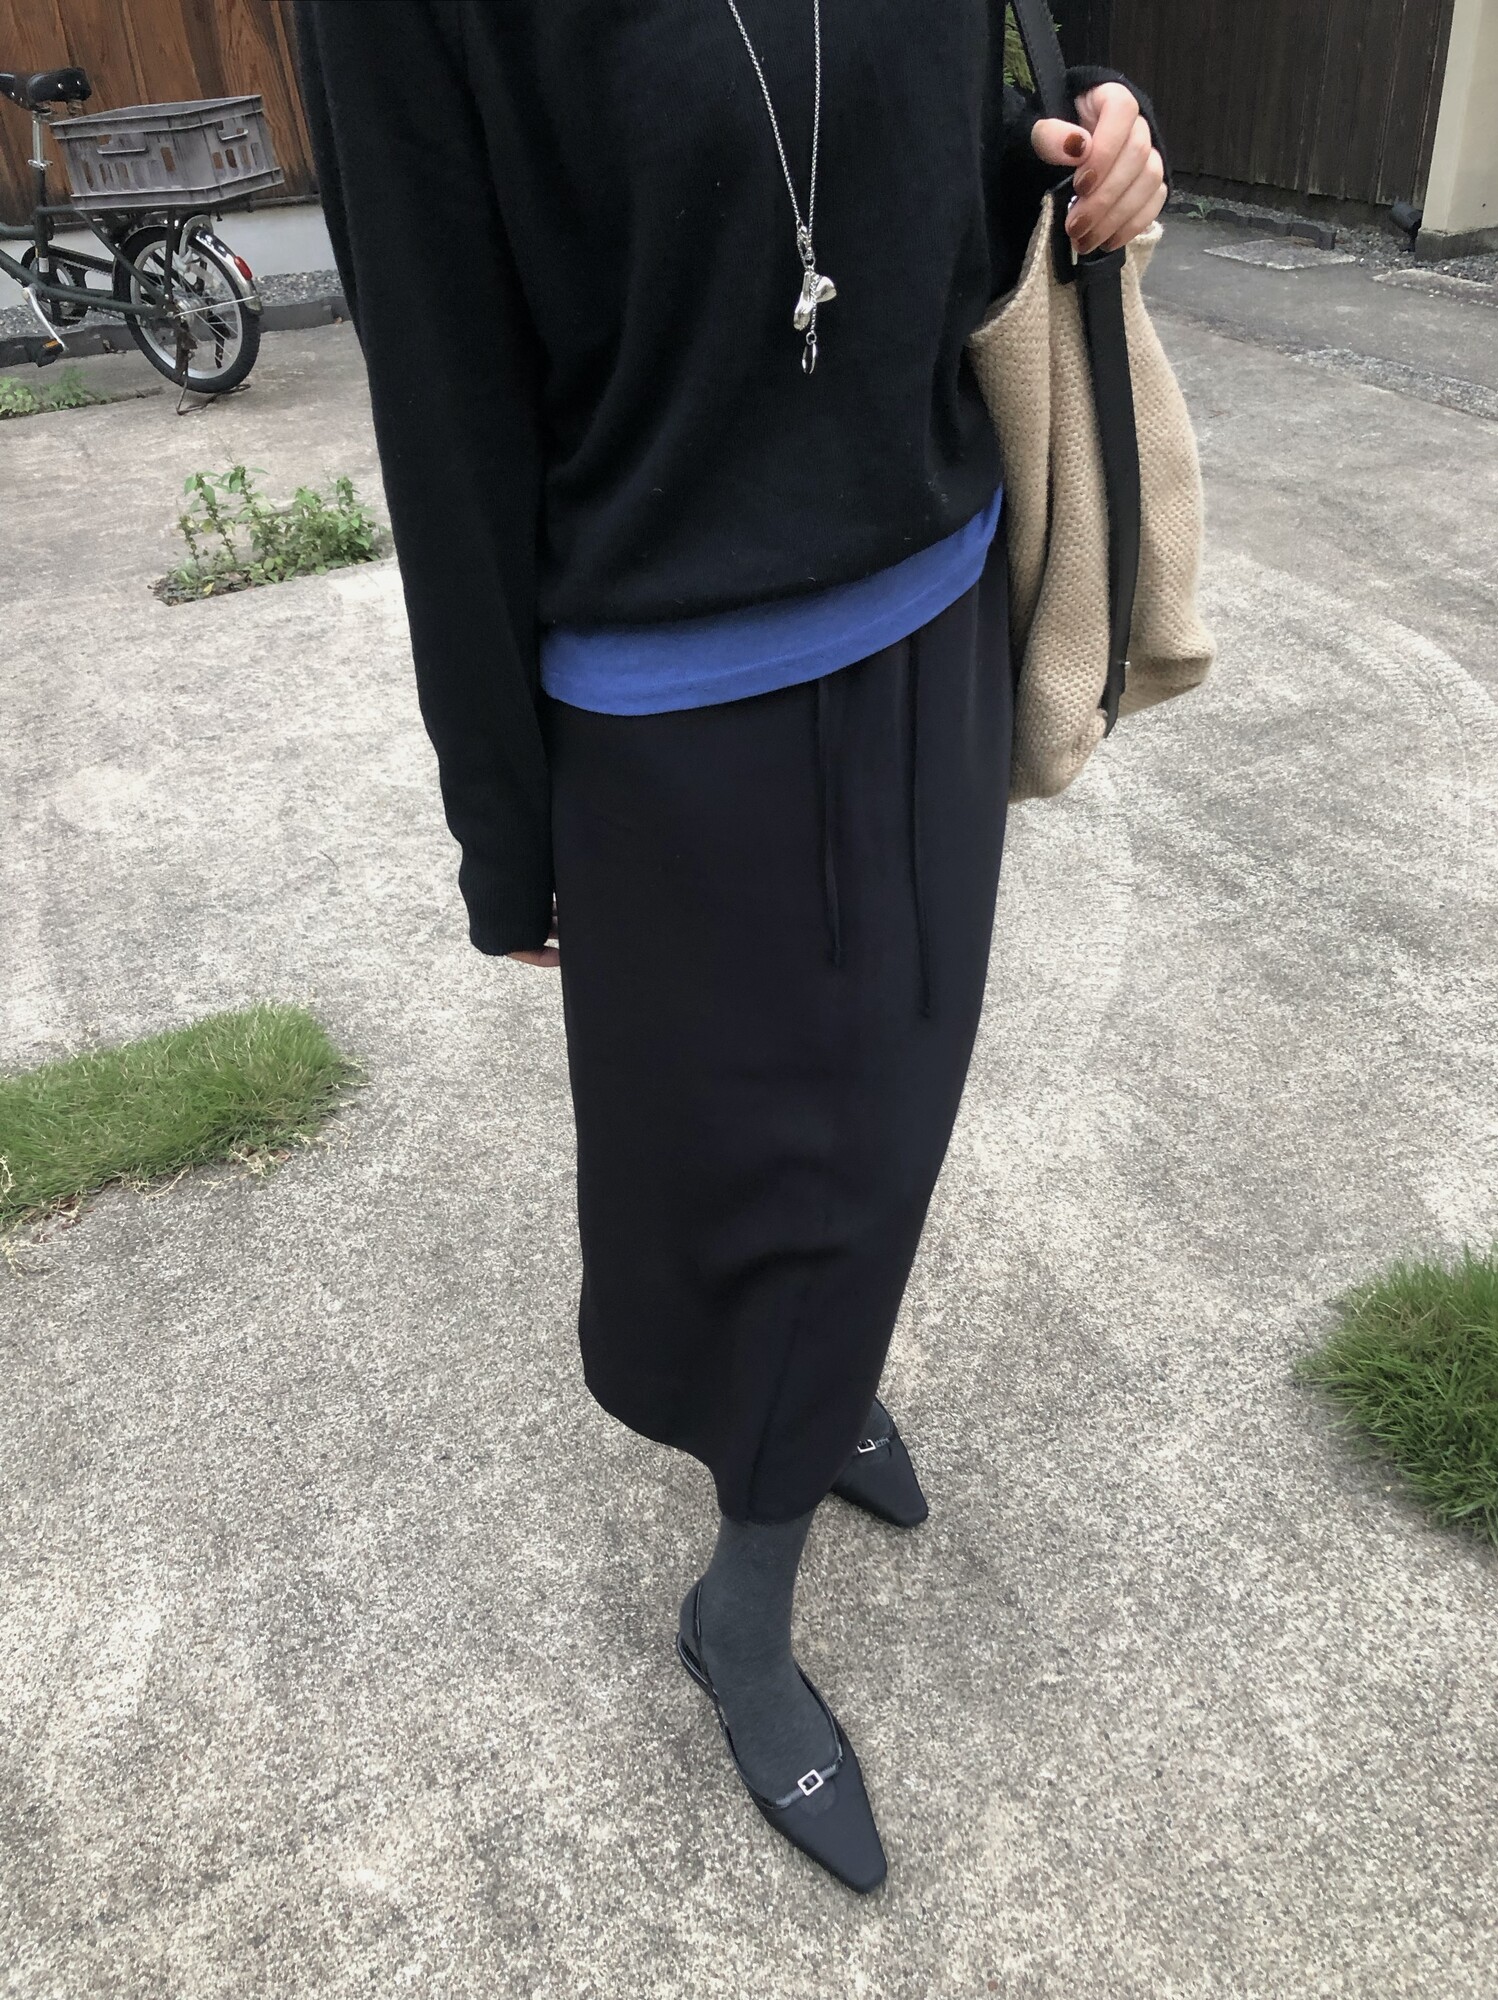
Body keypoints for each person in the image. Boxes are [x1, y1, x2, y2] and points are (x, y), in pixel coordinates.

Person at [293, 0, 1167, 1894]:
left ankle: (823, 1391)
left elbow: (998, 71)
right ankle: (741, 1607)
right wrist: (508, 836)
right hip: (671, 693)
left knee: (902, 1090)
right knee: (751, 1167)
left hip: (940, 596)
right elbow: (440, 394)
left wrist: (1103, 117)